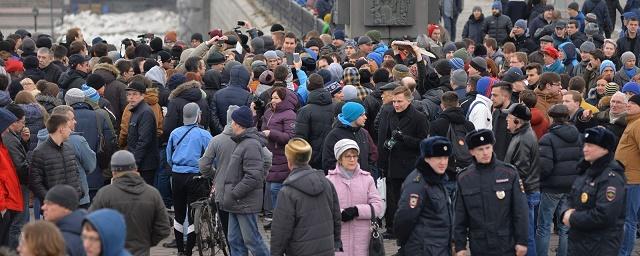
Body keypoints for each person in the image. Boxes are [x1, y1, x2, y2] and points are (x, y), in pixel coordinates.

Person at [199, 105, 273, 246]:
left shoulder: (217, 140)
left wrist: (216, 175)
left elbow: (203, 165)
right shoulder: (251, 139)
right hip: (242, 192)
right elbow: (268, 158)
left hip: (224, 191)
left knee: (233, 237)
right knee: (244, 236)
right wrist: (261, 176)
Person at [454, 129, 528, 256]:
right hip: (479, 245)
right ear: (472, 152)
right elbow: (460, 215)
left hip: (506, 243)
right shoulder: (464, 178)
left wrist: (522, 241)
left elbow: (520, 210)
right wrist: (460, 246)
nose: (485, 153)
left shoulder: (509, 173)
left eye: (488, 148)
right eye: (480, 149)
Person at [89, 150, 171, 255]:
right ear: (135, 169)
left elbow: (90, 224)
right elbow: (163, 228)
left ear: (113, 172)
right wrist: (145, 243)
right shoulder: (152, 194)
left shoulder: (105, 194)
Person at [270, 138, 342, 255]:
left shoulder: (287, 191)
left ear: (289, 161)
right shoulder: (326, 183)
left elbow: (281, 230)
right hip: (326, 250)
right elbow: (336, 217)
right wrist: (336, 242)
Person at [560, 127, 625, 255]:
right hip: (579, 243)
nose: (585, 149)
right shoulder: (586, 170)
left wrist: (572, 218)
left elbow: (604, 215)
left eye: (590, 145)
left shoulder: (611, 178)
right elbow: (571, 197)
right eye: (585, 145)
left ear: (605, 149)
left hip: (598, 246)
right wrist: (564, 212)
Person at [377, 85, 429, 237]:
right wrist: (386, 146)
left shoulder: (419, 118)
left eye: (399, 101)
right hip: (393, 165)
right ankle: (399, 233)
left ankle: (412, 233)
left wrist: (403, 138)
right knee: (397, 201)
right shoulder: (390, 115)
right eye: (394, 101)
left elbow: (423, 143)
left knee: (410, 202)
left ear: (409, 100)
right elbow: (385, 136)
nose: (396, 105)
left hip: (411, 167)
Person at [218, 106, 270, 256]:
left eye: (233, 122)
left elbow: (253, 175)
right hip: (236, 202)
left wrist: (235, 193)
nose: (231, 124)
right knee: (234, 240)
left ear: (239, 124)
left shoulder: (251, 144)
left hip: (244, 201)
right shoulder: (241, 142)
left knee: (252, 240)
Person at [165, 102, 212, 255]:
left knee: (178, 213)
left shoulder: (175, 133)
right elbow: (210, 158)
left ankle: (180, 249)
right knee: (193, 214)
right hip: (196, 176)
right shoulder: (204, 134)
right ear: (198, 116)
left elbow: (169, 157)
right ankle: (189, 250)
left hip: (177, 175)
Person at [535, 104, 583, 256]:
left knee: (543, 226)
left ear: (551, 118)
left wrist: (539, 180)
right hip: (571, 186)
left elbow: (545, 167)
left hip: (552, 187)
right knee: (565, 227)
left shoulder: (548, 138)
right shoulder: (577, 135)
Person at [394, 136, 454, 255]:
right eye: (438, 158)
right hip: (423, 249)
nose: (443, 162)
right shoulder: (417, 183)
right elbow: (404, 218)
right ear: (427, 158)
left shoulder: (438, 179)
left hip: (439, 249)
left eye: (445, 157)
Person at [325, 139, 383, 255]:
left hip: (363, 243)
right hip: (338, 241)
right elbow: (323, 209)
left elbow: (378, 206)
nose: (352, 159)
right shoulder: (329, 181)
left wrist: (357, 210)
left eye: (355, 156)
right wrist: (340, 214)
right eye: (348, 156)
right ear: (340, 158)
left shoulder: (367, 179)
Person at [503, 103, 540, 256]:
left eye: (509, 118)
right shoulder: (521, 135)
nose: (506, 120)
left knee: (525, 236)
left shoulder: (523, 139)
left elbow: (520, 171)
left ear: (517, 121)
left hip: (525, 193)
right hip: (526, 191)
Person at [29, 114, 81, 203]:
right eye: (68, 127)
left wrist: (79, 192)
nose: (71, 130)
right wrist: (49, 199)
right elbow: (35, 182)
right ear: (61, 129)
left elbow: (76, 173)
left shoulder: (68, 148)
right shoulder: (40, 152)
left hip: (72, 203)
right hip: (53, 206)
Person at [1, 104, 29, 247]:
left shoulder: (8, 139)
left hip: (11, 192)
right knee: (16, 226)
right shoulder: (8, 140)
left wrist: (24, 142)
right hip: (11, 193)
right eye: (22, 122)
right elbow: (17, 167)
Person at [323, 102, 377, 174]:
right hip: (344, 181)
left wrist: (369, 173)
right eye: (362, 115)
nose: (365, 117)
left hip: (363, 180)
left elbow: (373, 155)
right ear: (353, 116)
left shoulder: (364, 133)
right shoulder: (334, 135)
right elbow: (328, 162)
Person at [295, 74, 335, 170]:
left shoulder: (305, 111)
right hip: (333, 155)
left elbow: (300, 138)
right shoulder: (336, 106)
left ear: (308, 87)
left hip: (312, 160)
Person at [616, 94, 640, 255]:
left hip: (633, 179)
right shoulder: (632, 122)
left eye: (633, 103)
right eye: (629, 102)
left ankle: (624, 253)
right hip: (626, 178)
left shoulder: (638, 124)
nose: (629, 105)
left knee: (628, 220)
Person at [124, 81, 160, 185]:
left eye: (135, 94)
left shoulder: (145, 112)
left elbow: (144, 140)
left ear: (142, 95)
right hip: (140, 162)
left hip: (145, 165)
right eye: (129, 94)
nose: (131, 97)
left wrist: (134, 162)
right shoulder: (136, 111)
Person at [41, 185, 87, 256]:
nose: (43, 207)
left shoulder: (61, 241)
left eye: (49, 204)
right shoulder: (84, 228)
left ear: (65, 207)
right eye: (44, 203)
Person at [0, 107, 22, 247]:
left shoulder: (2, 144)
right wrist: (2, 206)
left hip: (8, 202)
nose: (7, 130)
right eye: (5, 126)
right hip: (3, 206)